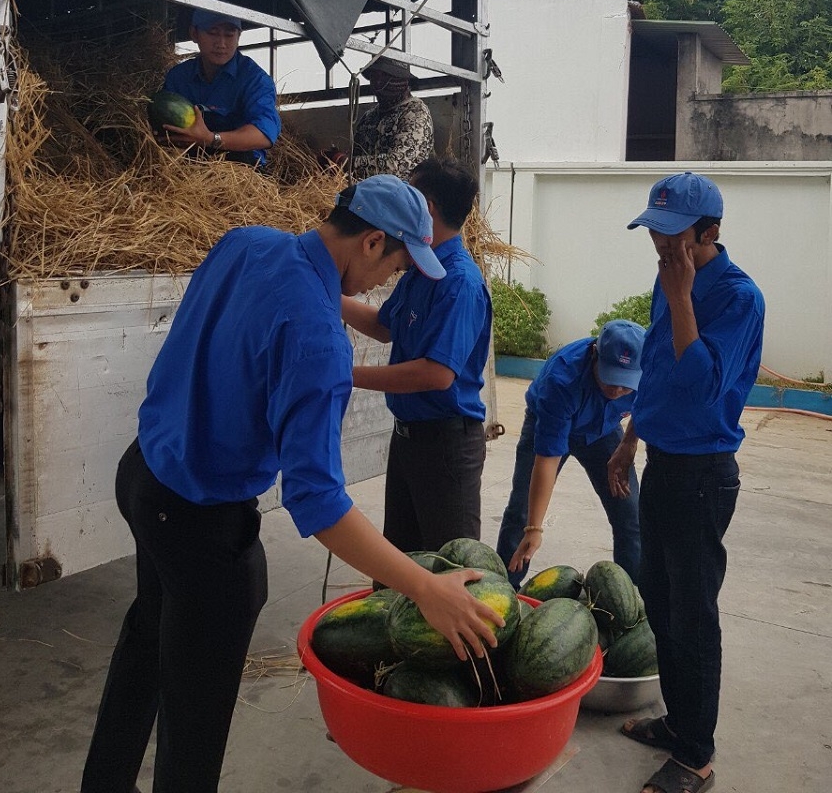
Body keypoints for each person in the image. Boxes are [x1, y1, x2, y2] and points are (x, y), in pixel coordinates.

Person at [80, 174, 503, 793]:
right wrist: (423, 588)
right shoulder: (319, 344)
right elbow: (317, 500)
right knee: (195, 718)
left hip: (143, 474)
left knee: (147, 644)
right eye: (396, 264)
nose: (389, 281)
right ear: (371, 242)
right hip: (202, 520)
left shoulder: (245, 242)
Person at [608, 171, 764, 793]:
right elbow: (659, 371)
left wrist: (681, 298)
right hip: (662, 466)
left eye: (676, 237)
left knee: (694, 615)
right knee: (662, 604)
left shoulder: (738, 298)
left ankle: (697, 753)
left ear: (711, 232)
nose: (663, 247)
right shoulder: (669, 277)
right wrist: (628, 441)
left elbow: (703, 385)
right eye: (656, 233)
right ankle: (679, 722)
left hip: (704, 476)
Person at [341, 158, 492, 553]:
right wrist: (331, 294)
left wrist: (344, 372)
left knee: (450, 565)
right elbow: (385, 325)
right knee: (402, 562)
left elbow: (437, 374)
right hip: (408, 437)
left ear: (428, 208)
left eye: (411, 193)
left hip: (446, 445)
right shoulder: (418, 266)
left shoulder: (459, 281)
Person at [496, 319, 646, 591]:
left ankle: (630, 599)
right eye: (610, 378)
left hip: (605, 431)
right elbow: (547, 459)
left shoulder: (650, 371)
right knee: (523, 512)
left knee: (630, 513)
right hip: (549, 422)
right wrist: (535, 529)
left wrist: (628, 444)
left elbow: (648, 405)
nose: (616, 391)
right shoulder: (563, 378)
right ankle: (506, 590)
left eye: (626, 386)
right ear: (594, 355)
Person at [158, 8, 282, 166]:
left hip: (242, 169)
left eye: (229, 35)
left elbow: (264, 134)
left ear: (238, 36)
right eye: (212, 32)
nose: (221, 44)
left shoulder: (254, 79)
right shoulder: (179, 77)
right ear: (194, 33)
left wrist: (210, 139)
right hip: (188, 164)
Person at [350, 54, 434, 180]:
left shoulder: (415, 113)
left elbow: (397, 167)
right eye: (373, 76)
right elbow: (355, 154)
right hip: (369, 192)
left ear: (401, 79)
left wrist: (347, 164)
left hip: (404, 195)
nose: (377, 82)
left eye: (384, 76)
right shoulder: (369, 117)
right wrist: (334, 161)